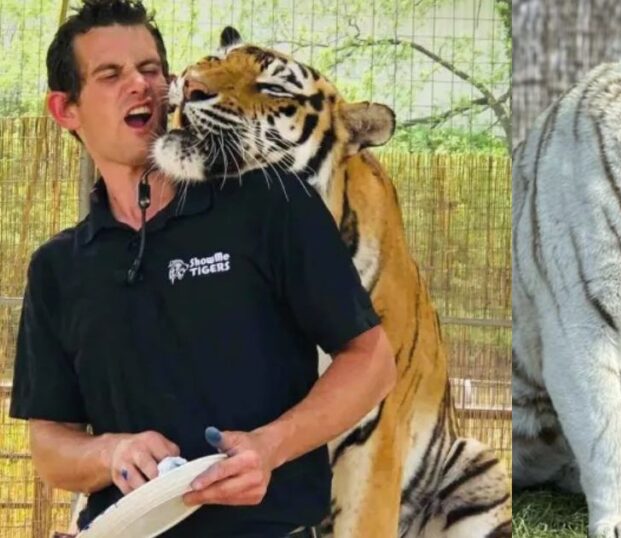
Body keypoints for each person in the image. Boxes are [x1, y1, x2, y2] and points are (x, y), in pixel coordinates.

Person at [9, 1, 396, 536]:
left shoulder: (266, 203)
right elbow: (50, 447)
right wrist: (111, 452)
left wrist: (269, 447)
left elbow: (372, 360)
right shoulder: (57, 267)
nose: (141, 86)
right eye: (111, 74)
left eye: (150, 70)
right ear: (65, 109)